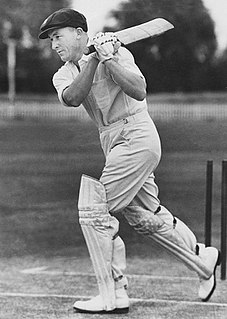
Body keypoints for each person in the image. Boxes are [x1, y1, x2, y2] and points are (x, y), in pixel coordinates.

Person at [39, 8, 221, 314]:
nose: (54, 45)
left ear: (79, 33)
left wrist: (109, 59)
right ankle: (202, 259)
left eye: (58, 36)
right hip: (112, 141)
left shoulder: (116, 53)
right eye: (50, 40)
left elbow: (138, 90)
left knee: (95, 209)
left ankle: (114, 294)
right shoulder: (65, 72)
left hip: (136, 133)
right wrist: (95, 59)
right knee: (142, 215)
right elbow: (72, 98)